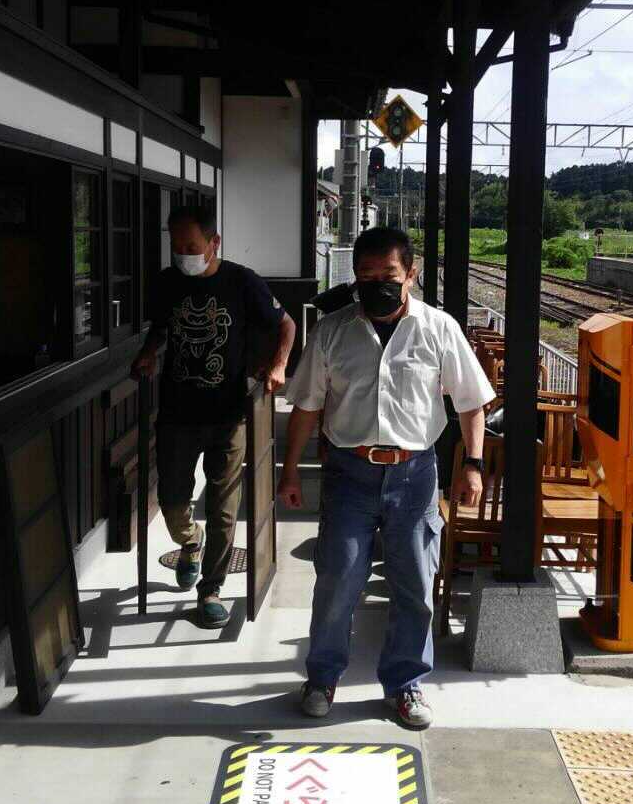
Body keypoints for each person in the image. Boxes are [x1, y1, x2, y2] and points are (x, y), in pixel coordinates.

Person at [279, 226, 495, 729]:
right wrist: (290, 469)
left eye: (388, 275)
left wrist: (474, 465)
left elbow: (471, 402)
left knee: (415, 584)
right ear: (354, 277)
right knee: (337, 578)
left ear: (411, 275)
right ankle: (322, 676)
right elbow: (307, 406)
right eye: (366, 275)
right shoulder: (332, 330)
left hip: (415, 474)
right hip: (349, 472)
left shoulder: (440, 329)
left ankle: (405, 684)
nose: (376, 283)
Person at [133, 204, 295, 629]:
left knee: (224, 507)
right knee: (171, 500)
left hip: (228, 414)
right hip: (176, 412)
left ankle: (211, 590)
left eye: (192, 246)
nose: (183, 253)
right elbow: (161, 327)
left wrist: (278, 366)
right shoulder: (169, 283)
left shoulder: (241, 282)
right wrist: (149, 352)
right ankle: (190, 542)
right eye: (176, 246)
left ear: (213, 243)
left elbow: (287, 325)